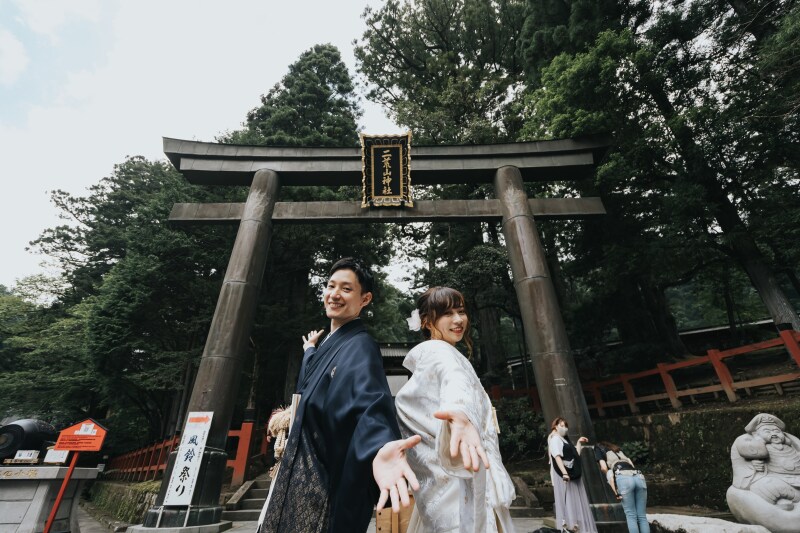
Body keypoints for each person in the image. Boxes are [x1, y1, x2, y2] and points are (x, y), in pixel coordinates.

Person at [258, 258, 420, 533]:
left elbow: (368, 401)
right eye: (331, 286)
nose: (334, 294)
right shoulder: (327, 347)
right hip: (297, 477)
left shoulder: (360, 346)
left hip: (321, 482)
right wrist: (310, 351)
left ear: (364, 298)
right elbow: (309, 389)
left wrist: (381, 446)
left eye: (346, 289)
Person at [394, 286, 517, 533]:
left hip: (453, 477)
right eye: (448, 314)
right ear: (428, 322)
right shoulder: (440, 353)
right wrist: (459, 413)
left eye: (461, 311)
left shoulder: (443, 354)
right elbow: (454, 381)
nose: (459, 320)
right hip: (460, 483)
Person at [548, 417, 597, 533]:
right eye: (561, 425)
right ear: (555, 426)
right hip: (565, 474)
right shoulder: (555, 439)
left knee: (576, 502)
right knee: (569, 501)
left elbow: (575, 456)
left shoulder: (565, 440)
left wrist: (579, 443)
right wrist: (564, 473)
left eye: (565, 426)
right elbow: (557, 457)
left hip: (572, 473)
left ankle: (577, 528)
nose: (564, 428)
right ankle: (571, 527)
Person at [596, 441, 649, 533]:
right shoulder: (619, 450)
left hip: (623, 478)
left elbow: (604, 468)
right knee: (642, 516)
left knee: (631, 515)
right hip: (638, 477)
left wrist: (616, 490)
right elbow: (632, 465)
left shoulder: (598, 448)